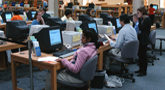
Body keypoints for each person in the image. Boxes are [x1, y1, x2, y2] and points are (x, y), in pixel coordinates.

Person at [135, 7, 151, 76]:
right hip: (141, 39)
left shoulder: (147, 20)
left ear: (142, 12)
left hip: (144, 40)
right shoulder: (143, 19)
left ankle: (143, 71)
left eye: (138, 13)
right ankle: (140, 69)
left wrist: (138, 19)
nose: (137, 14)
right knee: (140, 55)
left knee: (143, 56)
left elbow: (141, 27)